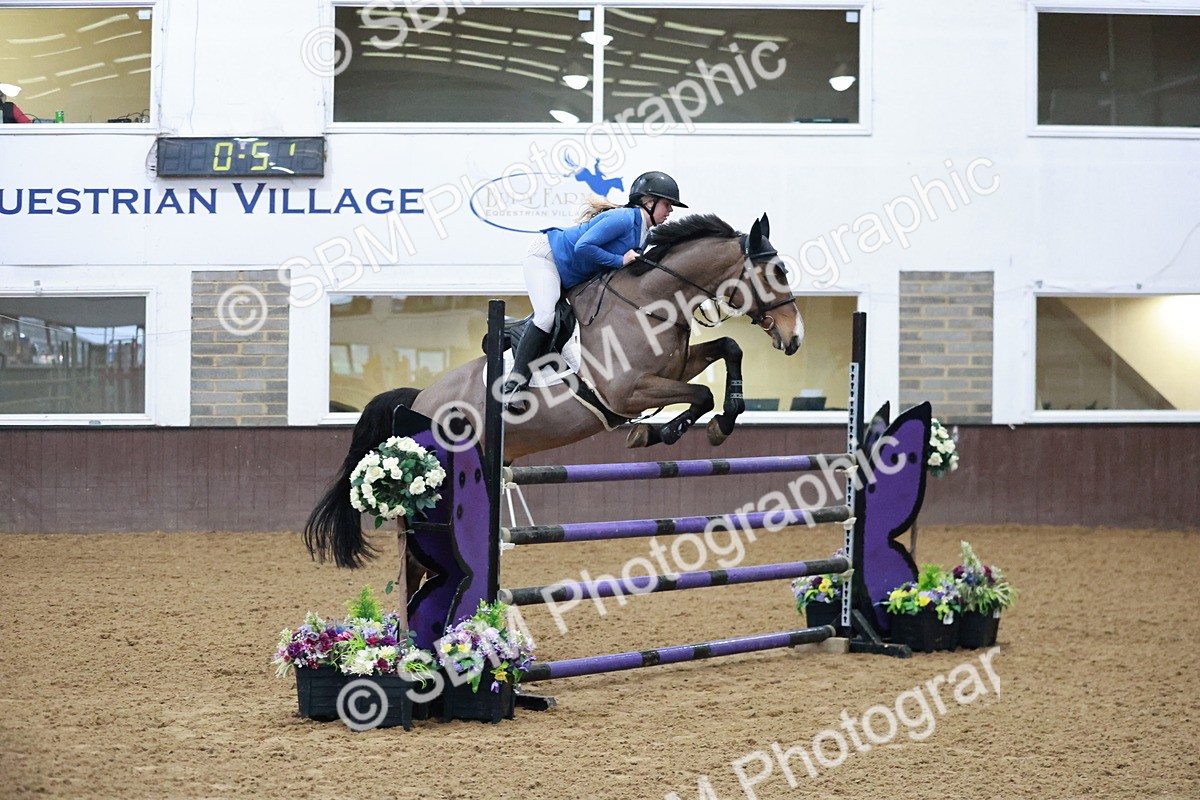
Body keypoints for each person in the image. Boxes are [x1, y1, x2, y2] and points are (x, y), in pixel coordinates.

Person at [500, 170, 687, 412]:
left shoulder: (645, 235)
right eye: (667, 204)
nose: (670, 210)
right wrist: (620, 261)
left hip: (572, 273)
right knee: (546, 316)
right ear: (648, 202)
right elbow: (583, 246)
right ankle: (514, 386)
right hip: (547, 257)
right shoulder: (622, 218)